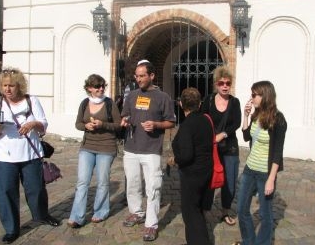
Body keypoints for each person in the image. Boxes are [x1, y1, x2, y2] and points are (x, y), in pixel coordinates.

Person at [0, 67, 60, 244]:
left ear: (19, 86)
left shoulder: (31, 101)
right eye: (4, 86)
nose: (8, 89)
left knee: (36, 189)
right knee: (6, 192)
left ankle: (42, 215)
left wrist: (32, 123)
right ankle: (11, 229)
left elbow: (43, 125)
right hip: (5, 157)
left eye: (11, 85)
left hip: (30, 154)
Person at [120, 60, 176, 242]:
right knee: (133, 184)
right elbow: (125, 114)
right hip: (131, 148)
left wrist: (156, 124)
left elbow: (171, 122)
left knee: (153, 187)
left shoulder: (163, 97)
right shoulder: (132, 95)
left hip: (151, 149)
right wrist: (125, 121)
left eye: (142, 75)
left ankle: (151, 224)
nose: (138, 79)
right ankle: (136, 212)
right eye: (137, 76)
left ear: (151, 76)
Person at [233, 80, 287, 245]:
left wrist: (271, 179)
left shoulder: (278, 119)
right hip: (249, 170)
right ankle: (248, 241)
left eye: (254, 95)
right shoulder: (256, 114)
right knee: (241, 210)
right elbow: (246, 136)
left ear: (265, 95)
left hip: (265, 173)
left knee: (265, 215)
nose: (252, 98)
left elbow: (278, 152)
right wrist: (246, 116)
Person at [68, 74, 121, 228]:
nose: (101, 89)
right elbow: (78, 123)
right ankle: (77, 216)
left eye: (103, 86)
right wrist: (86, 126)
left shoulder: (110, 103)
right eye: (97, 86)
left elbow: (118, 125)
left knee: (103, 182)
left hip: (106, 147)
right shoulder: (84, 103)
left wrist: (102, 124)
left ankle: (101, 212)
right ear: (89, 88)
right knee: (82, 182)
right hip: (87, 147)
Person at [169, 87, 213, 245]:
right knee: (198, 209)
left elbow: (187, 155)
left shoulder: (188, 125)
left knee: (191, 212)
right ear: (199, 104)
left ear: (181, 104)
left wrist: (175, 159)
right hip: (206, 170)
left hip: (193, 174)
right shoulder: (206, 120)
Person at [201, 65, 241, 226]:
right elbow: (203, 119)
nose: (225, 86)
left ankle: (225, 211)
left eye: (228, 83)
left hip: (230, 147)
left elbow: (236, 123)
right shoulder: (209, 100)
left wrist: (223, 134)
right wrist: (209, 137)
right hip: (212, 146)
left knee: (229, 181)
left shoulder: (234, 102)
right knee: (209, 178)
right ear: (216, 84)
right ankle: (205, 210)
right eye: (221, 83)